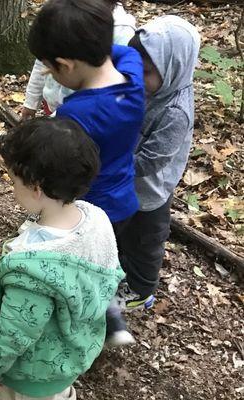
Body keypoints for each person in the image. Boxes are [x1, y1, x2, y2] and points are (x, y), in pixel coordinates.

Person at [0, 118, 126, 400]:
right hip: (66, 356)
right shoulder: (96, 220)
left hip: (30, 378)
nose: (12, 188)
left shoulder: (32, 273)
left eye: (13, 181)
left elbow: (14, 332)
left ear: (36, 188)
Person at [26, 0, 145, 341]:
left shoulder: (76, 115)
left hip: (88, 206)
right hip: (123, 200)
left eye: (52, 69)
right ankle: (112, 314)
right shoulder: (133, 77)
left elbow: (59, 163)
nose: (51, 74)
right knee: (106, 257)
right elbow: (121, 54)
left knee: (79, 267)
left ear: (66, 64)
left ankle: (86, 327)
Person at [117, 16, 201, 310]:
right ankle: (121, 270)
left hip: (150, 189)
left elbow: (152, 161)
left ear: (173, 67)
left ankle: (141, 289)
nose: (138, 76)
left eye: (146, 71)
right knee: (124, 230)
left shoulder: (176, 112)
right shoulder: (152, 88)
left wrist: (114, 161)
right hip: (127, 178)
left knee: (146, 240)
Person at [21, 0, 136, 119]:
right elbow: (44, 59)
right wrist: (32, 100)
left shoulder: (122, 31)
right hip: (53, 103)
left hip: (84, 115)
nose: (46, 70)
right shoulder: (63, 11)